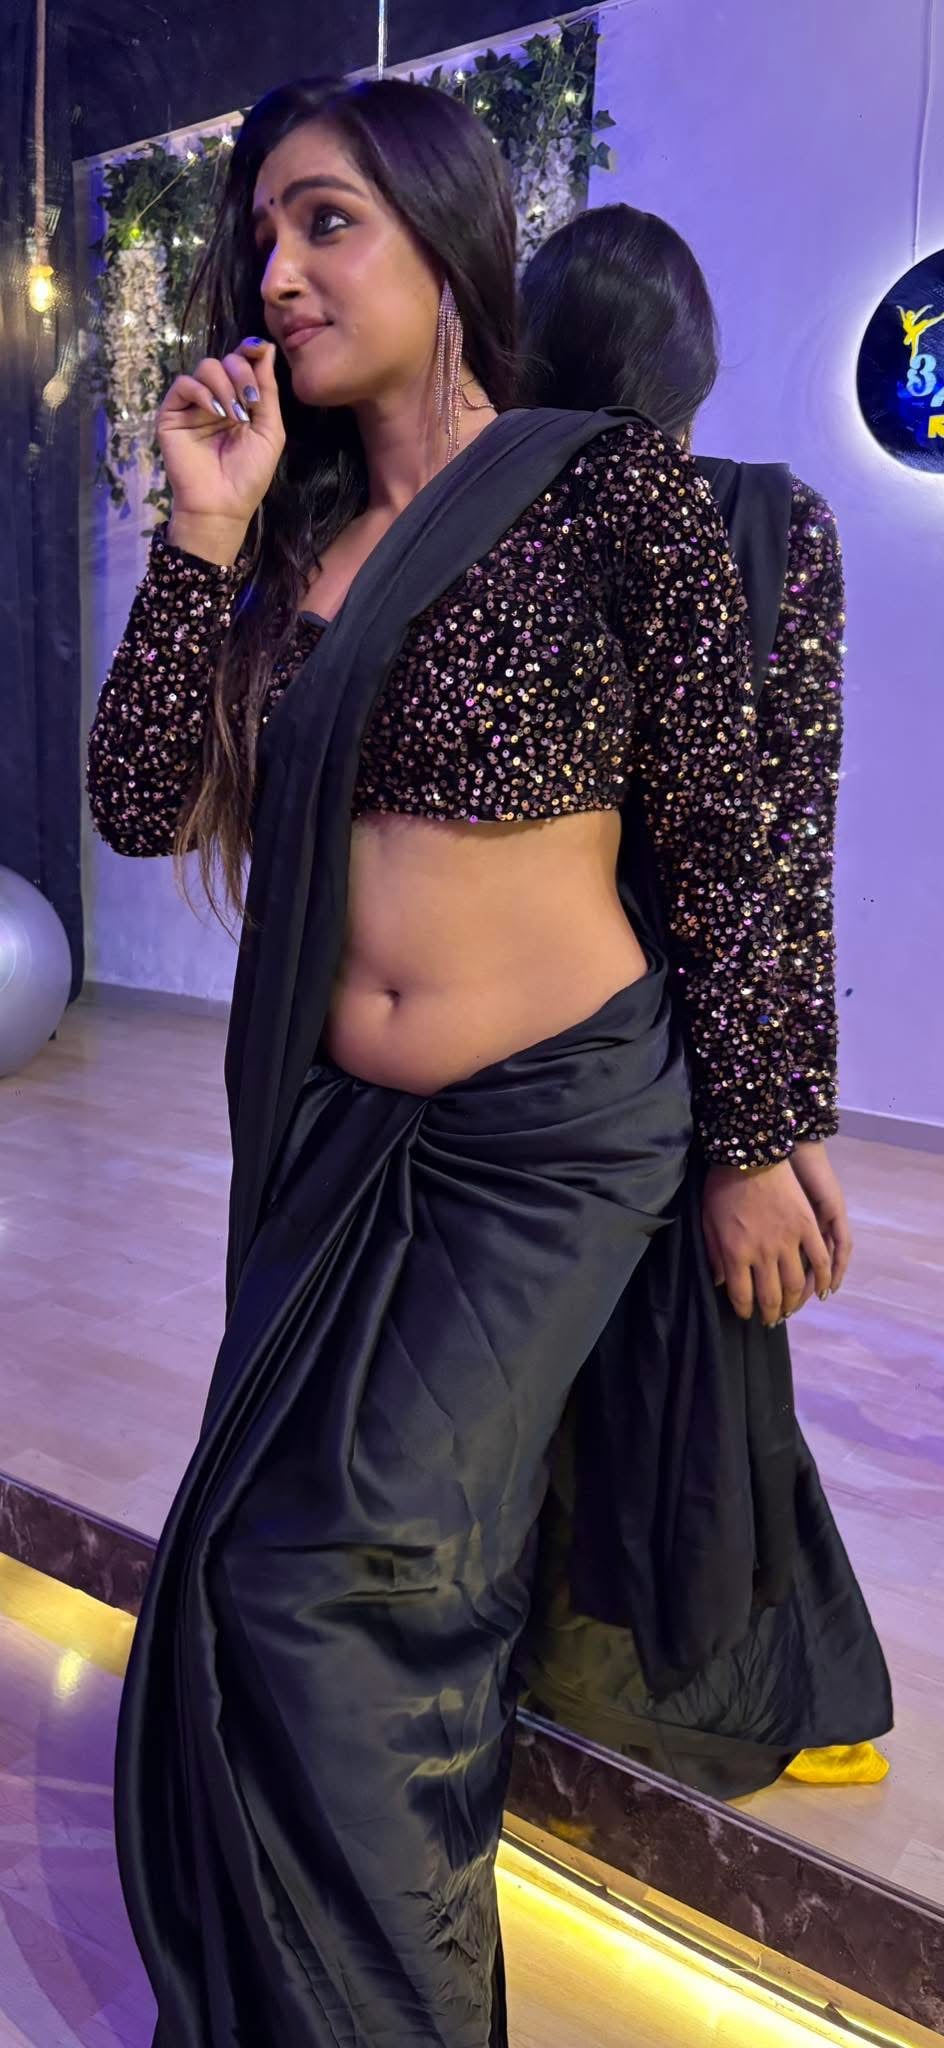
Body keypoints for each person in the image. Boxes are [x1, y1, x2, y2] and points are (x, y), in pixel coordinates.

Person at [88, 80, 880, 2047]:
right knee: (250, 1564)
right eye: (260, 233)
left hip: (550, 1132)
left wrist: (760, 1134)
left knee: (342, 1582)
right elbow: (132, 800)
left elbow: (734, 836)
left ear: (447, 246)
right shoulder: (293, 532)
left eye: (327, 221)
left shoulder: (606, 495)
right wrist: (201, 529)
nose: (275, 270)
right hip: (334, 1132)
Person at [517, 203, 890, 1799]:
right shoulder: (768, 523)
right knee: (691, 1368)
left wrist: (776, 1132)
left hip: (546, 1033)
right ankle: (685, 1681)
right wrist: (782, 1121)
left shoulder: (499, 518)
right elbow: (782, 850)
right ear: (701, 365)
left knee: (597, 1362)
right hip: (679, 1026)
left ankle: (588, 1679)